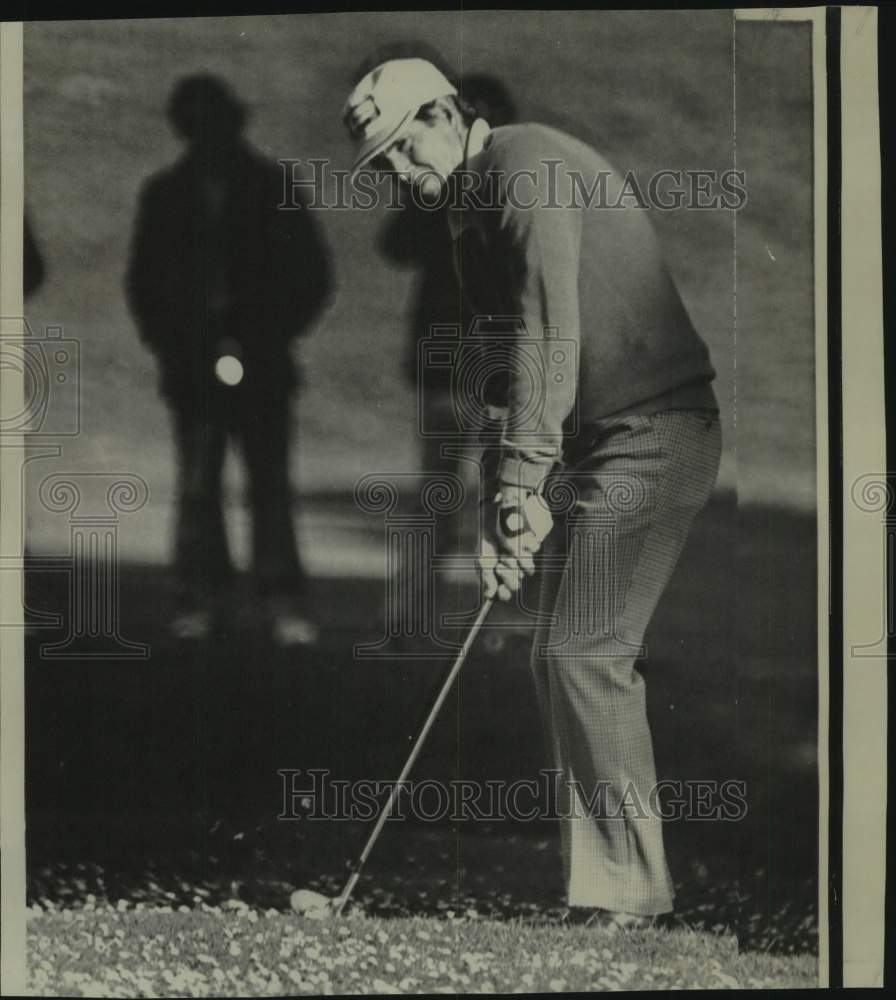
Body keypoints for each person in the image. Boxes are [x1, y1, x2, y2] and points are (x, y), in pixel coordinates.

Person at [342, 58, 721, 930]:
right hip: (598, 447)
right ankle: (605, 891)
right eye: (383, 166)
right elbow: (504, 370)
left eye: (404, 149)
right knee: (558, 657)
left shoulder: (524, 164)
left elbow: (551, 329)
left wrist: (524, 485)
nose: (399, 175)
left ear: (444, 114)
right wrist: (498, 512)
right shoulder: (470, 214)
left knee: (584, 652)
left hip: (655, 431)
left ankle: (635, 895)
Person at [127, 74, 333, 644]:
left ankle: (276, 598)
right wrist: (171, 341)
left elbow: (313, 276)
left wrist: (269, 334)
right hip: (193, 364)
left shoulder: (271, 187)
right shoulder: (165, 194)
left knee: (265, 484)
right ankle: (203, 597)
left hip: (261, 360)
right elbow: (144, 284)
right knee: (200, 485)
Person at [377, 71, 517, 556]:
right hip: (463, 361)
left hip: (480, 359)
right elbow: (396, 245)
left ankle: (417, 618)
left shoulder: (510, 184)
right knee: (462, 494)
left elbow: (396, 246)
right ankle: (418, 617)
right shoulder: (461, 182)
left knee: (479, 495)